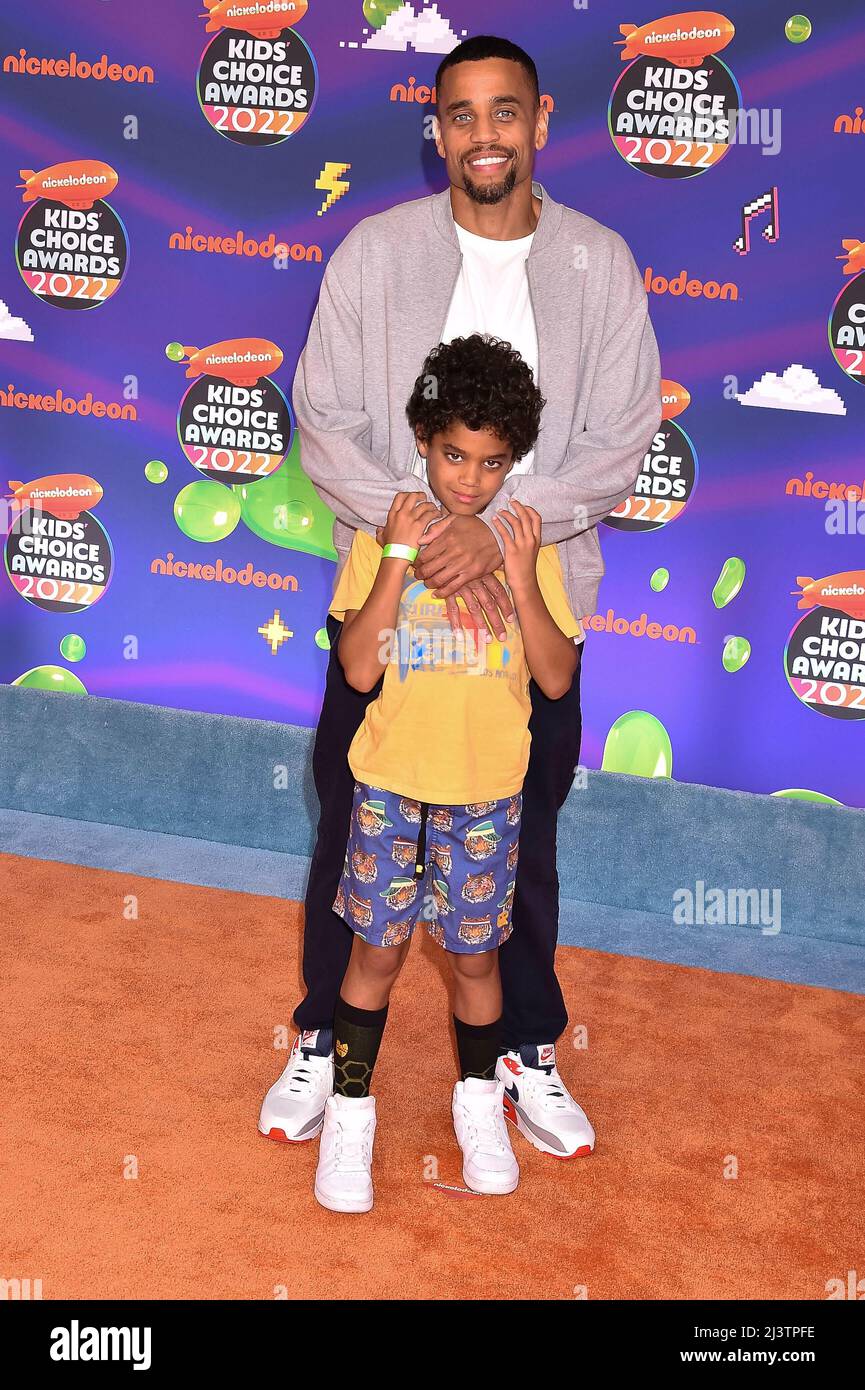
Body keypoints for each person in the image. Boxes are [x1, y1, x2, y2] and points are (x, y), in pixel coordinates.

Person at [259, 34, 661, 1160]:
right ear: (435, 130)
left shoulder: (601, 263)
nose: (481, 133)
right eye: (458, 114)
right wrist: (428, 528)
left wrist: (489, 533)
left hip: (529, 604)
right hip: (390, 591)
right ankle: (321, 1037)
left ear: (539, 124)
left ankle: (523, 1050)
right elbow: (323, 418)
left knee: (517, 839)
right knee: (352, 830)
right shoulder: (375, 253)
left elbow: (621, 441)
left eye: (503, 112)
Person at [313, 333, 585, 1212]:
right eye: (452, 455)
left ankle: (478, 1103)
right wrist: (395, 557)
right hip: (389, 787)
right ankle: (350, 1115)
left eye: (492, 462)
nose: (468, 479)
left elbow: (554, 676)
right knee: (375, 954)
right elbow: (358, 668)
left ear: (514, 462)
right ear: (424, 441)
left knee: (475, 962)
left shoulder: (524, 546)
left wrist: (515, 568)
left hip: (485, 796)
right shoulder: (381, 538)